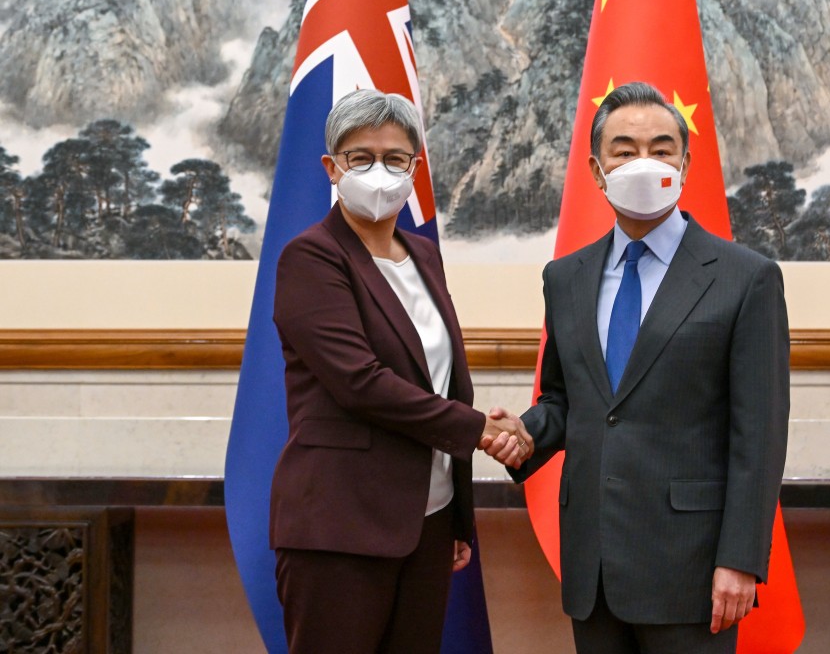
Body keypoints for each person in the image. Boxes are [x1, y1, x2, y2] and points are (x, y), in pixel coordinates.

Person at [488, 81, 790, 654]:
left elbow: (760, 435)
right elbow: (566, 398)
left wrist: (741, 560)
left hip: (695, 570)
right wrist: (525, 434)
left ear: (685, 163)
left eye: (661, 147)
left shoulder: (745, 278)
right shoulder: (565, 277)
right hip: (593, 566)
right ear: (598, 171)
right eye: (624, 151)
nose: (643, 162)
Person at [269, 88, 530, 654]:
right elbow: (359, 383)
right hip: (341, 526)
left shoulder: (423, 256)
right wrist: (479, 428)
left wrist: (456, 512)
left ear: (416, 166)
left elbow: (439, 379)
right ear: (331, 168)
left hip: (427, 521)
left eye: (395, 158)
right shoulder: (310, 258)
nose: (378, 172)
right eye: (360, 157)